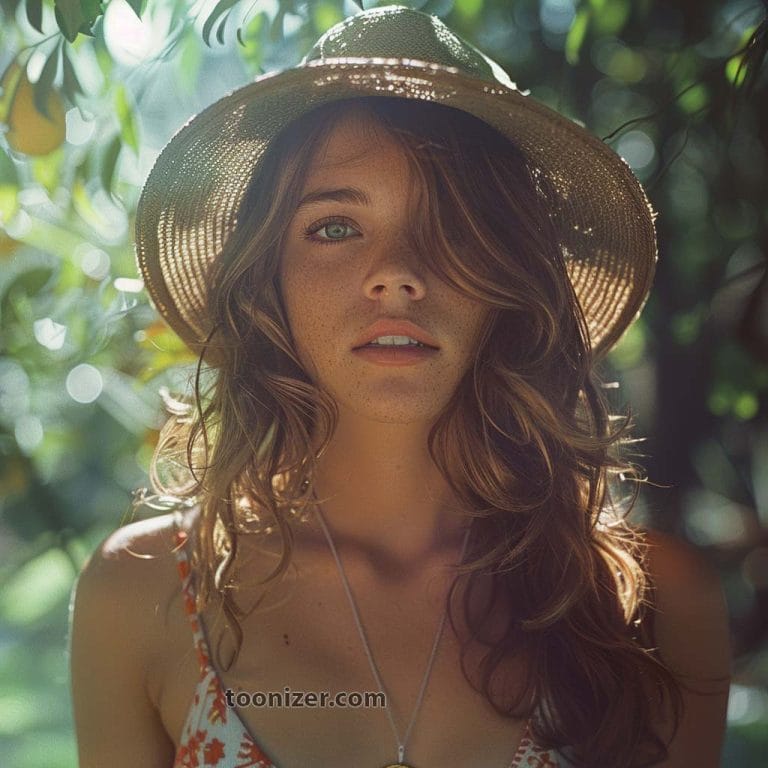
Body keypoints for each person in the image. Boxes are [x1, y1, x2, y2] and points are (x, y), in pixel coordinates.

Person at [69, 6, 731, 767]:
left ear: (511, 281)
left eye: (452, 225)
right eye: (336, 227)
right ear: (267, 284)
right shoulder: (142, 594)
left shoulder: (656, 607)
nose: (397, 272)